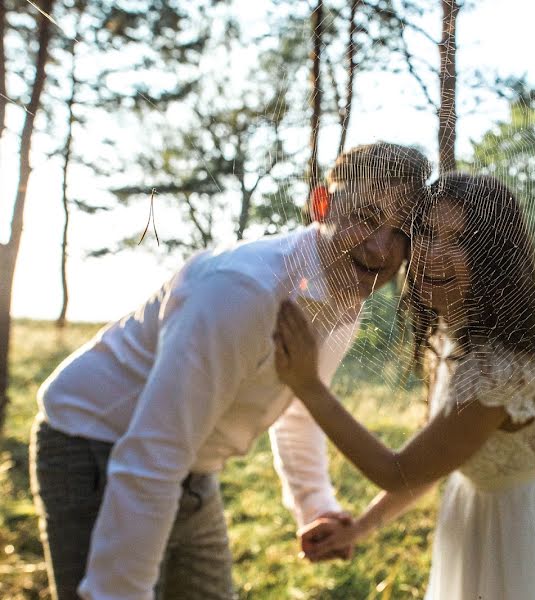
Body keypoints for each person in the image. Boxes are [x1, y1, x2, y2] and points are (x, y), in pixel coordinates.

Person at [30, 142, 431, 600]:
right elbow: (151, 454)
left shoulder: (346, 294)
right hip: (92, 443)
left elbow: (302, 401)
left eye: (401, 230)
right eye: (366, 216)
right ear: (322, 204)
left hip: (190, 469)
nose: (381, 247)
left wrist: (314, 504)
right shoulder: (242, 290)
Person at [273, 172, 535, 599]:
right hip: (474, 510)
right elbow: (432, 462)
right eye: (424, 232)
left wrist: (309, 386)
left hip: (524, 528)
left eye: (460, 241)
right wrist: (358, 528)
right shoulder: (451, 330)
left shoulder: (500, 368)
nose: (430, 254)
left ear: (493, 259)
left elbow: (399, 471)